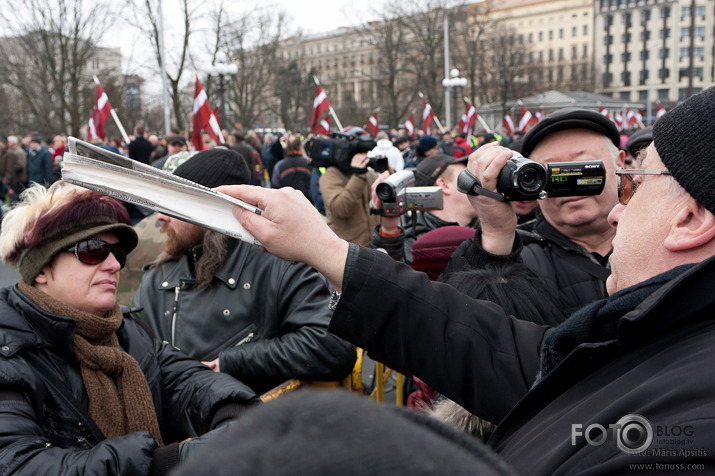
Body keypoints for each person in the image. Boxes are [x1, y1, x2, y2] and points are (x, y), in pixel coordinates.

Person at [219, 85, 715, 474]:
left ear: (690, 219)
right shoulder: (660, 333)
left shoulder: (691, 423)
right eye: (550, 171)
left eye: (631, 183)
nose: (616, 215)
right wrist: (327, 251)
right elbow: (496, 350)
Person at [0, 181, 258, 475]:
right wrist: (161, 462)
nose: (113, 264)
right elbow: (18, 465)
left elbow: (190, 382)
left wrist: (236, 413)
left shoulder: (126, 331)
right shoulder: (9, 354)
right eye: (92, 250)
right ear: (42, 270)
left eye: (117, 253)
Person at [133, 148, 356, 394]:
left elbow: (331, 347)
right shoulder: (156, 280)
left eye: (175, 203)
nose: (162, 216)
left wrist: (230, 363)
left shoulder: (278, 267)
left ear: (210, 211)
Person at [445, 107, 625, 317]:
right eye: (552, 171)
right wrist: (496, 236)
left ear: (619, 163)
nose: (567, 181)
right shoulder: (520, 257)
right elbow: (471, 326)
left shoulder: (662, 239)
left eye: (580, 167)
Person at [370, 154, 478, 264]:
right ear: (444, 185)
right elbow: (391, 274)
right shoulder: (414, 247)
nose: (477, 184)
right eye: (467, 178)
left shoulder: (485, 230)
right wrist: (389, 232)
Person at [319, 130, 380, 247]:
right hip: (347, 250)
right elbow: (341, 209)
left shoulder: (368, 173)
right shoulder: (330, 176)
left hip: (371, 246)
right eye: (360, 153)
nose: (364, 156)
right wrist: (358, 176)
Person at [270, 134, 312, 201]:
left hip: (286, 204)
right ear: (301, 147)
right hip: (307, 204)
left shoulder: (279, 166)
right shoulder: (309, 164)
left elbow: (275, 187)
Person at [1, 136, 27, 202]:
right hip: (13, 178)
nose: (8, 143)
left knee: (17, 198)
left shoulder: (18, 152)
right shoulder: (10, 151)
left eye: (9, 141)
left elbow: (20, 165)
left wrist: (10, 173)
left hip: (18, 179)